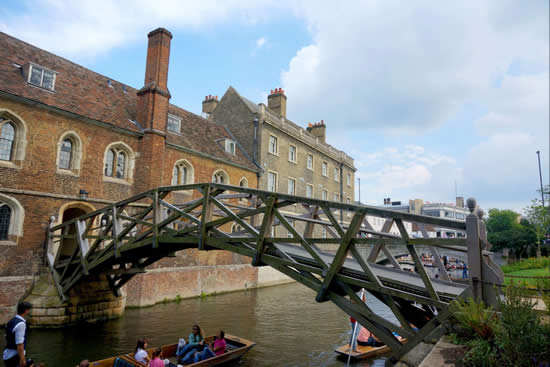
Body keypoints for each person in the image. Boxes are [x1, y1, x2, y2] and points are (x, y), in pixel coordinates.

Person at [3, 301, 32, 367]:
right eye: (29, 309)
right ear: (26, 311)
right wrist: (22, 359)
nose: (29, 311)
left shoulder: (12, 320)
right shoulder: (21, 324)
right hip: (14, 356)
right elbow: (19, 344)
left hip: (7, 354)